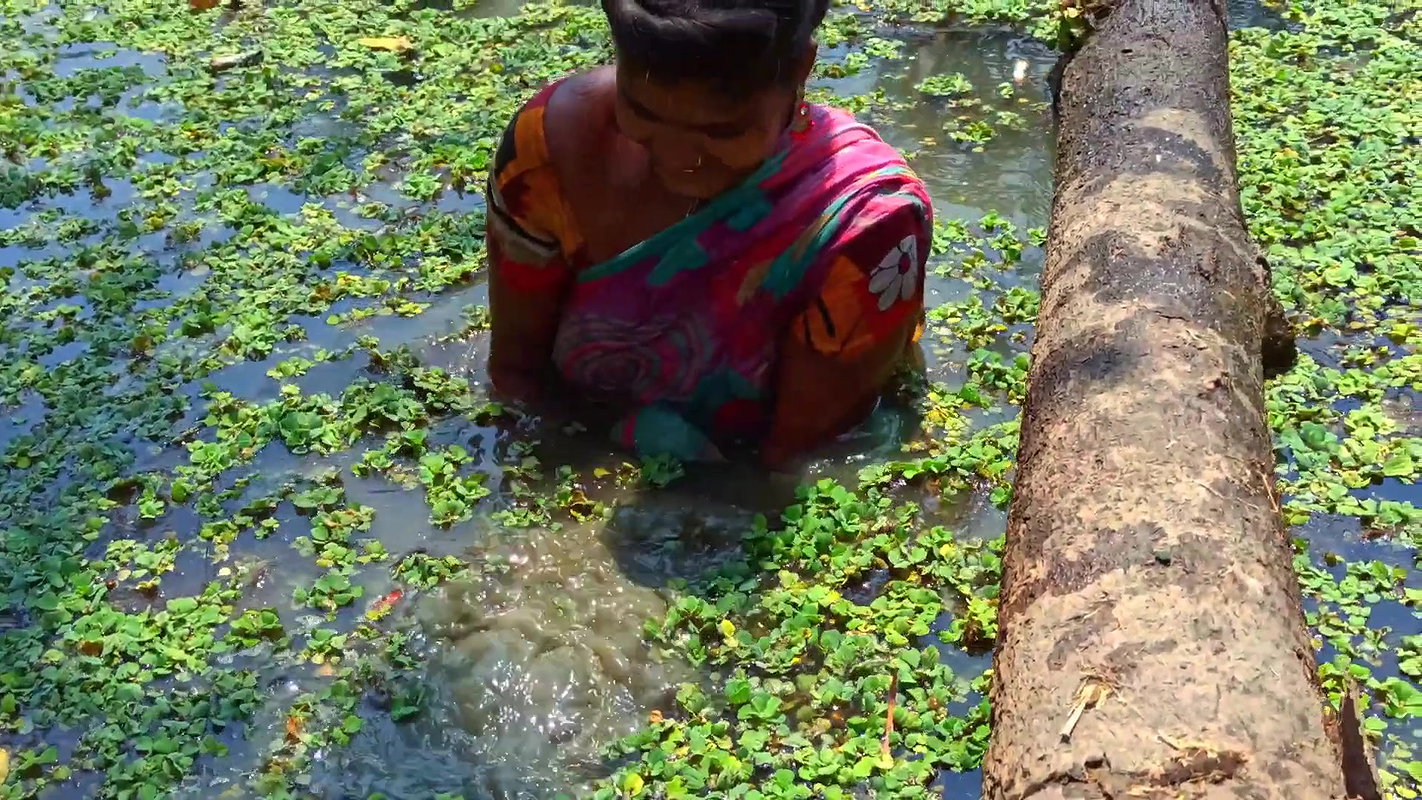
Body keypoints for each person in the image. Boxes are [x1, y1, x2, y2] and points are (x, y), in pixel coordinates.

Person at [485, 0, 932, 470]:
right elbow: (516, 378)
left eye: (722, 131)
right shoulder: (549, 151)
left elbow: (794, 463)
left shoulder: (863, 222)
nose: (680, 160)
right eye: (641, 113)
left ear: (803, 67)